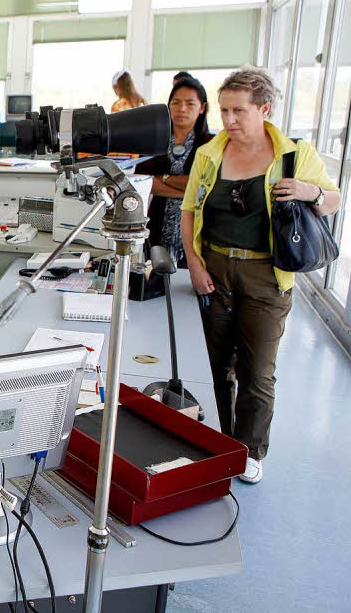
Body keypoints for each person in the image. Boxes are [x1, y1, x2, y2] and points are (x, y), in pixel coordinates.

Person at [181, 66, 340, 484]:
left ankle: (250, 449)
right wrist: (194, 264)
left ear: (264, 109)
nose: (228, 120)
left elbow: (334, 199)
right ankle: (215, 439)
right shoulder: (209, 153)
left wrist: (310, 191)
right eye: (223, 110)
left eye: (238, 111)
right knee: (213, 363)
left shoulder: (293, 155)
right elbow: (189, 211)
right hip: (214, 268)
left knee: (257, 369)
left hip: (267, 275)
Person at [135, 76, 214, 267]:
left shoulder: (211, 144)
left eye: (190, 103)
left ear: (202, 107)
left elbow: (208, 184)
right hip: (158, 224)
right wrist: (190, 190)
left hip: (198, 229)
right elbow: (143, 181)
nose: (182, 108)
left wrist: (164, 177)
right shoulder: (154, 141)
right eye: (176, 102)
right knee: (154, 274)